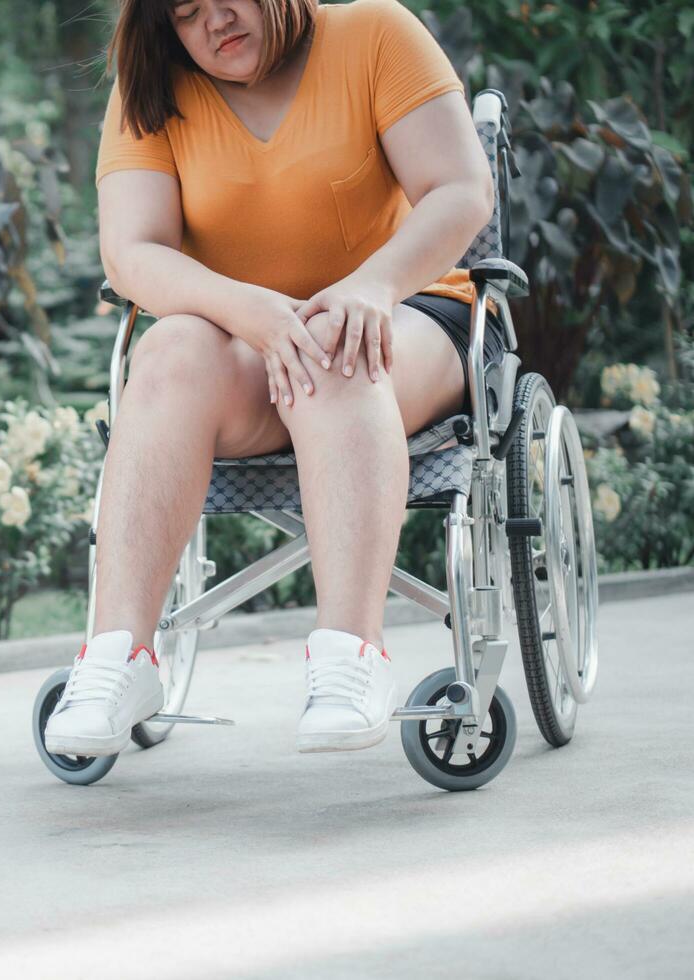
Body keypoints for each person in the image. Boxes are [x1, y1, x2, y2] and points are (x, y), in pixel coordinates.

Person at [42, 0, 508, 758]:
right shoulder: (153, 88)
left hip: (406, 315)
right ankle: (117, 657)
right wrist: (249, 310)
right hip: (248, 340)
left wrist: (372, 286)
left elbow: (459, 191)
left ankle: (351, 657)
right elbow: (133, 254)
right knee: (164, 355)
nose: (214, 22)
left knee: (336, 346)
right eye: (186, 14)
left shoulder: (375, 33)